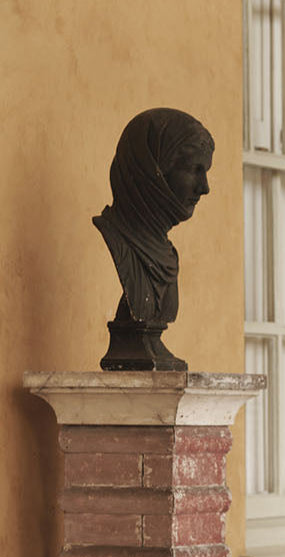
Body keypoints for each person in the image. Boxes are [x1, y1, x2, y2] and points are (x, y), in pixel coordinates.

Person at [94, 108, 214, 369]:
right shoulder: (119, 239)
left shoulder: (168, 257)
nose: (204, 187)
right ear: (152, 170)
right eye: (194, 169)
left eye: (205, 171)